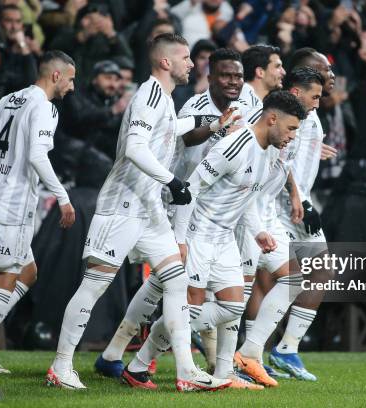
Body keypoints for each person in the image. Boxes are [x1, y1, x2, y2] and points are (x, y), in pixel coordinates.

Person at [46, 33, 230, 392]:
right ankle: (60, 365)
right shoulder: (148, 94)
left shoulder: (162, 97)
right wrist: (172, 180)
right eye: (186, 57)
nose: (192, 64)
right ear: (165, 62)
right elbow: (133, 147)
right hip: (122, 207)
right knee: (94, 286)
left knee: (176, 280)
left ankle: (186, 373)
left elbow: (168, 131)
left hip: (149, 208)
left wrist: (212, 126)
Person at [123, 90, 306, 390]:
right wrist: (180, 239)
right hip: (197, 233)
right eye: (291, 128)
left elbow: (245, 198)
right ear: (272, 118)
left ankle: (141, 362)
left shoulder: (270, 152)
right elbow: (189, 190)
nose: (292, 137)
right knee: (191, 309)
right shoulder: (234, 146)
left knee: (233, 308)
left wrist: (259, 230)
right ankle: (146, 366)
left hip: (224, 238)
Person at [93, 47, 246, 380]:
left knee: (167, 283)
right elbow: (185, 140)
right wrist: (217, 128)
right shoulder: (195, 105)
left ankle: (118, 353)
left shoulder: (247, 107)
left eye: (238, 75)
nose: (233, 82)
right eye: (225, 75)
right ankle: (160, 361)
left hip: (212, 213)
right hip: (179, 204)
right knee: (173, 285)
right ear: (211, 75)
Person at [0, 50, 77, 373]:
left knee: (28, 273)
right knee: (3, 279)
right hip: (11, 206)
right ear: (56, 75)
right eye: (70, 79)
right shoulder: (44, 108)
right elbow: (38, 157)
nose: (72, 86)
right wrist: (63, 197)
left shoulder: (9, 99)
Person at [242, 49, 336, 382]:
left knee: (311, 271)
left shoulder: (309, 112)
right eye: (324, 70)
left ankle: (279, 349)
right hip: (275, 209)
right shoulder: (283, 113)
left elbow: (290, 158)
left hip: (293, 205)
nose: (329, 76)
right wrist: (298, 197)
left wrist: (303, 185)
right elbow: (280, 158)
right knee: (266, 279)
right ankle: (255, 353)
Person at [240, 44, 286, 109]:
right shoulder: (245, 103)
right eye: (277, 66)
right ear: (260, 72)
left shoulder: (252, 101)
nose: (284, 72)